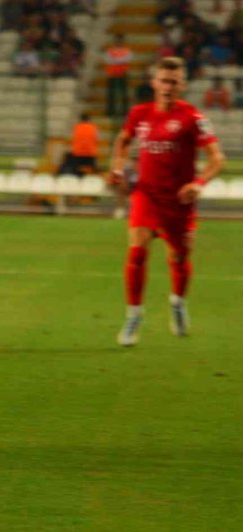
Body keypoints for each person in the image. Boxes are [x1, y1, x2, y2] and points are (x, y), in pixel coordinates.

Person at [109, 57, 226, 347]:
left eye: (174, 82)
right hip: (146, 196)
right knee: (137, 252)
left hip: (179, 201)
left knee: (179, 257)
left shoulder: (194, 118)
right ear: (154, 83)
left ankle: (177, 303)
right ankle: (134, 315)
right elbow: (123, 141)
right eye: (163, 80)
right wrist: (116, 168)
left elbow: (217, 158)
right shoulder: (139, 114)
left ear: (182, 86)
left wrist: (198, 184)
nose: (168, 87)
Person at [105, 33, 133, 118]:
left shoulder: (126, 50)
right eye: (117, 40)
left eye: (120, 40)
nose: (118, 42)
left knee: (123, 93)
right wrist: (119, 60)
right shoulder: (110, 50)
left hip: (122, 74)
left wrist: (116, 60)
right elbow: (108, 60)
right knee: (111, 94)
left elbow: (127, 59)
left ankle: (124, 111)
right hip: (112, 74)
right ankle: (111, 111)